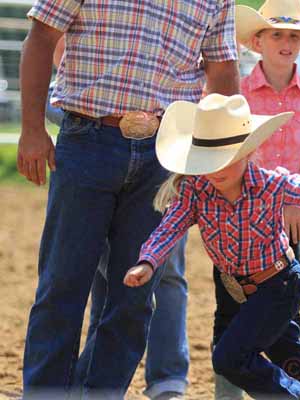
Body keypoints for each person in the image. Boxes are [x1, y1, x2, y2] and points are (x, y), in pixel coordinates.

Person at [18, 1, 239, 398]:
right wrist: (32, 128)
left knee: (134, 298)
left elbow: (222, 69)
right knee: (62, 285)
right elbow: (41, 36)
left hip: (165, 153)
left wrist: (220, 155)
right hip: (87, 136)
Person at [123, 93, 300, 399]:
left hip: (279, 283)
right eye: (207, 160)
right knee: (293, 361)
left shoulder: (270, 184)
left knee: (230, 358)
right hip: (238, 289)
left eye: (226, 158)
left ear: (248, 151)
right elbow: (171, 225)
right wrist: (147, 261)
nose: (215, 169)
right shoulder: (197, 191)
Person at [44, 33, 191, 400]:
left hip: (165, 145)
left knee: (152, 279)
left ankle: (164, 379)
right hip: (103, 126)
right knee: (108, 278)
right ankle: (90, 385)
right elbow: (57, 41)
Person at [209, 0, 300, 397]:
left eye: (294, 35)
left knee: (284, 319)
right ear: (256, 42)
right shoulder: (237, 94)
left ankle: (284, 390)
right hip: (235, 221)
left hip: (286, 223)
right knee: (229, 311)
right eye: (276, 34)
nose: (286, 42)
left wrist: (297, 200)